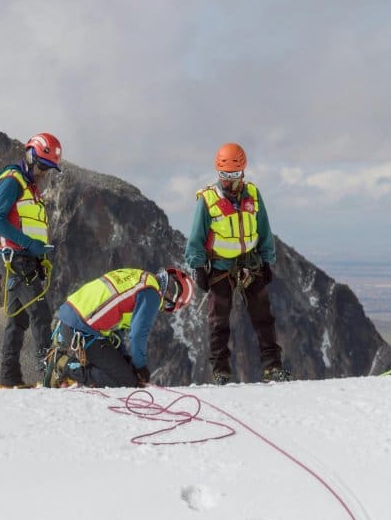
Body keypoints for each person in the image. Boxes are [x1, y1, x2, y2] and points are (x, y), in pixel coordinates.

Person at [184, 142, 291, 385]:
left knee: (263, 317)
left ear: (242, 171)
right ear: (218, 172)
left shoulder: (253, 195)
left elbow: (264, 229)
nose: (228, 180)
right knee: (219, 321)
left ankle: (273, 367)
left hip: (250, 264)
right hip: (220, 267)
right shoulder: (208, 200)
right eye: (224, 174)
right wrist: (198, 267)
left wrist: (266, 261)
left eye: (233, 174)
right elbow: (196, 238)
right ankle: (220, 372)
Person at [0, 132, 63, 388]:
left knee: (17, 319)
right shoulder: (13, 181)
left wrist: (38, 254)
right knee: (41, 313)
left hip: (25, 259)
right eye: (42, 165)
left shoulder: (29, 188)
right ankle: (50, 375)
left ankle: (8, 379)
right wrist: (29, 245)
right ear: (30, 156)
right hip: (15, 259)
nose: (44, 172)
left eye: (49, 169)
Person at [45, 266, 194, 388]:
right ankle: (64, 365)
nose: (168, 292)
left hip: (71, 320)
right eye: (173, 289)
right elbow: (137, 335)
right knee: (126, 382)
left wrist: (125, 358)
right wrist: (139, 367)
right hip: (82, 330)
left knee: (123, 369)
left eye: (173, 293)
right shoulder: (152, 293)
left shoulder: (140, 277)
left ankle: (73, 369)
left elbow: (118, 329)